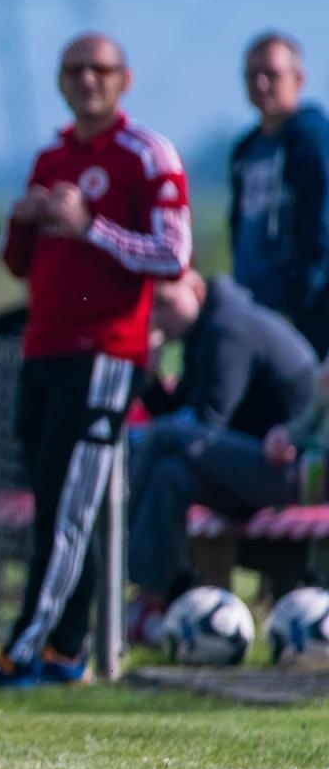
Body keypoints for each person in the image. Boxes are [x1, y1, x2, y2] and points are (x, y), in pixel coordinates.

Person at [0, 33, 190, 688]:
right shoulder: (52, 155)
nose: (87, 81)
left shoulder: (146, 155)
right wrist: (24, 218)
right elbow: (16, 260)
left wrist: (91, 226)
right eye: (74, 70)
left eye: (99, 70)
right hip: (44, 348)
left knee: (69, 510)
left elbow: (171, 255)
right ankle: (63, 651)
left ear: (124, 79)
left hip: (103, 353)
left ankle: (21, 652)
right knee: (52, 501)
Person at [125, 269, 317, 638]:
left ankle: (118, 557)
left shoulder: (229, 328)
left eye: (164, 303)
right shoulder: (203, 334)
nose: (157, 317)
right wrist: (147, 376)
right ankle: (151, 601)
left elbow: (207, 423)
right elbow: (185, 422)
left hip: (299, 471)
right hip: (254, 469)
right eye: (149, 309)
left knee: (164, 438)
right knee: (170, 475)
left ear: (196, 288)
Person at [230, 32, 329, 357]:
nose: (261, 83)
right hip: (254, 300)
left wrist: (301, 298)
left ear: (297, 78)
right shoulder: (246, 150)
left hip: (305, 308)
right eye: (252, 74)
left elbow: (320, 223)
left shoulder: (312, 138)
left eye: (271, 74)